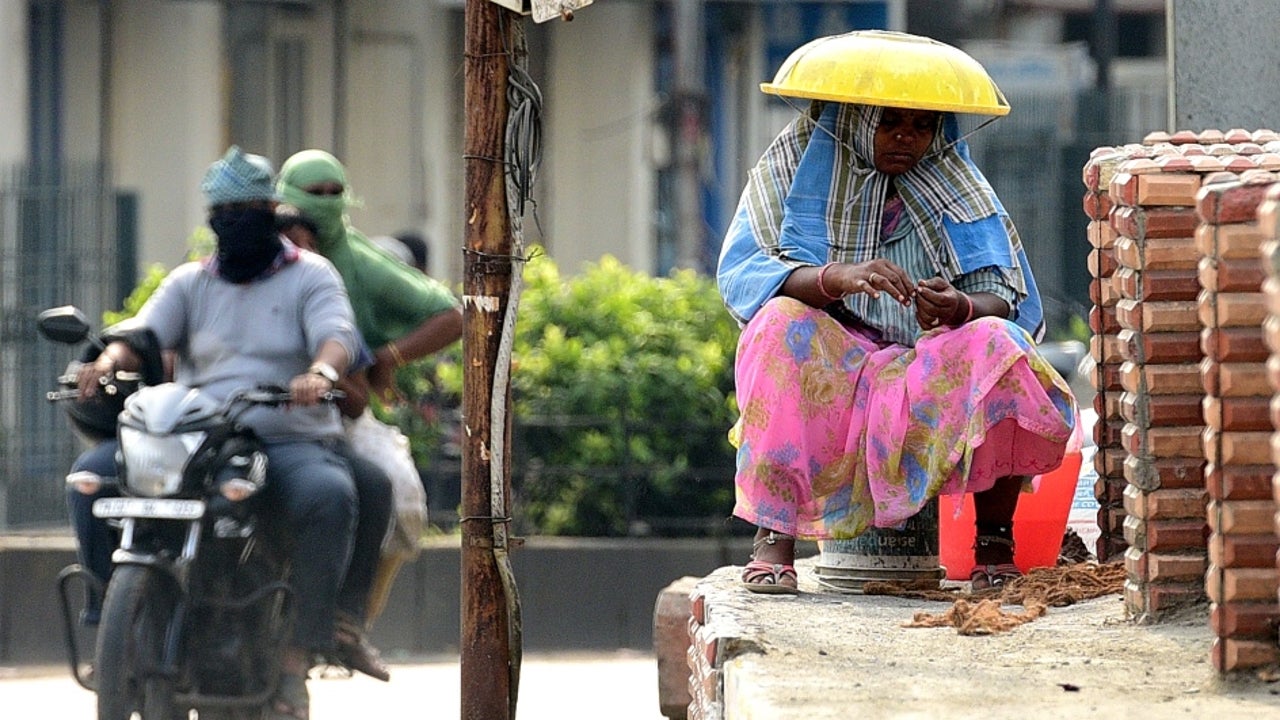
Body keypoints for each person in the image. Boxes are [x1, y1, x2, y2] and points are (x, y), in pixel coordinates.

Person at [716, 97, 1076, 594]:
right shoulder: (791, 167)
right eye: (889, 123)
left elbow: (1004, 295)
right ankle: (774, 537)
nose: (906, 137)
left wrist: (958, 308)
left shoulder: (955, 180)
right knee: (779, 326)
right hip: (836, 359)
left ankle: (994, 544)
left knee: (1000, 342)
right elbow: (746, 274)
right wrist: (839, 277)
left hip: (926, 363)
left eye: (921, 126)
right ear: (856, 125)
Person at [76, 146, 370, 719]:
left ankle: (294, 660)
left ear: (272, 210)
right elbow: (139, 333)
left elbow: (337, 336)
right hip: (197, 440)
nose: (234, 220)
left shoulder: (312, 276)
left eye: (247, 208)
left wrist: (320, 373)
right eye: (223, 210)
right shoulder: (192, 282)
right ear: (211, 217)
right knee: (88, 478)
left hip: (286, 436)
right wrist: (107, 361)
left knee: (328, 496)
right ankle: (107, 627)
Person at [276, 150, 462, 401]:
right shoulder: (255, 259)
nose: (326, 201)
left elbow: (451, 317)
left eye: (335, 192)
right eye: (315, 193)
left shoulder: (362, 264)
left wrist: (386, 359)